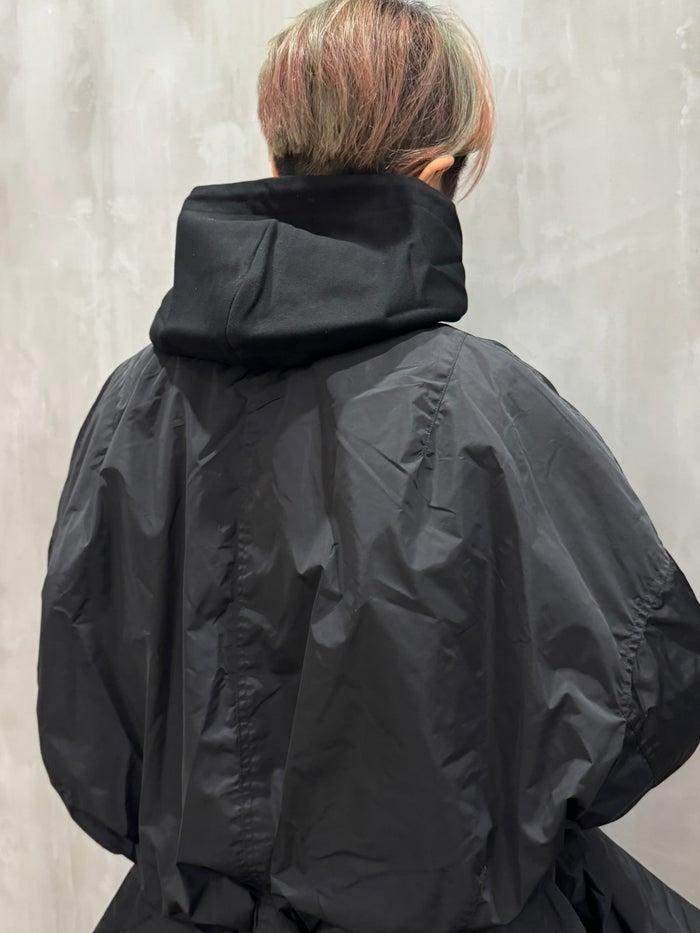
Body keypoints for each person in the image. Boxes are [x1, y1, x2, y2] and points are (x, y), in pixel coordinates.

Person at [36, 1, 700, 931]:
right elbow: (651, 697)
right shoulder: (488, 407)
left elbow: (86, 735)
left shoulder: (127, 407)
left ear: (276, 154)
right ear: (436, 171)